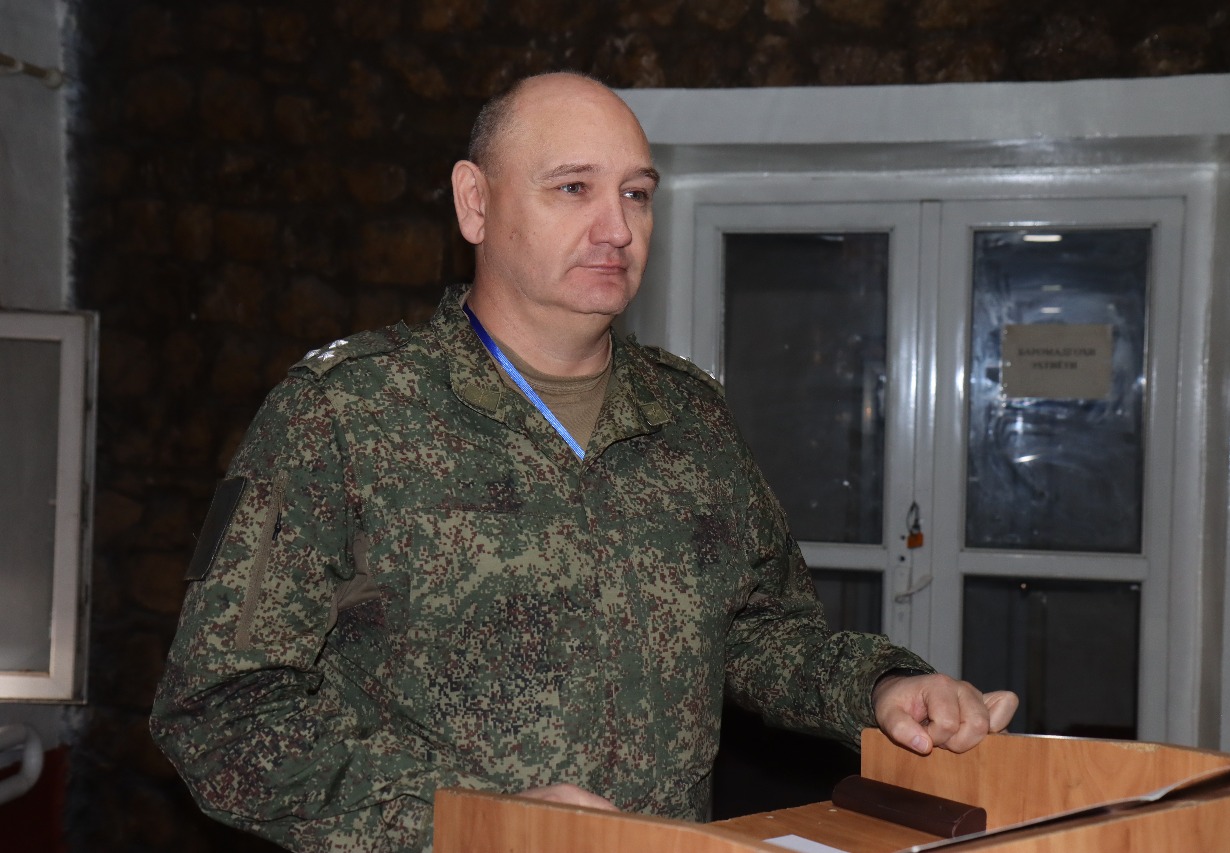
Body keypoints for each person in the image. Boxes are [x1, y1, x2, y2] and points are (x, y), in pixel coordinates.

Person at [151, 71, 1017, 852]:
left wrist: (882, 686)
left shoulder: (690, 416)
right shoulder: (343, 414)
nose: (617, 228)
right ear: (475, 204)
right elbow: (221, 715)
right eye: (574, 188)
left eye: (637, 194)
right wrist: (473, 820)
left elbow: (759, 632)